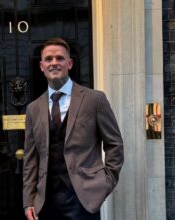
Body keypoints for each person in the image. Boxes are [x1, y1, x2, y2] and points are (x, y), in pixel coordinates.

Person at [23, 38, 124, 220]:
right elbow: (31, 159)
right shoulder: (33, 109)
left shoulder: (95, 100)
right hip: (45, 202)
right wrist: (29, 200)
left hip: (84, 199)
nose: (54, 63)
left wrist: (106, 182)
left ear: (69, 63)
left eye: (60, 58)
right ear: (41, 65)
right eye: (49, 59)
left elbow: (114, 144)